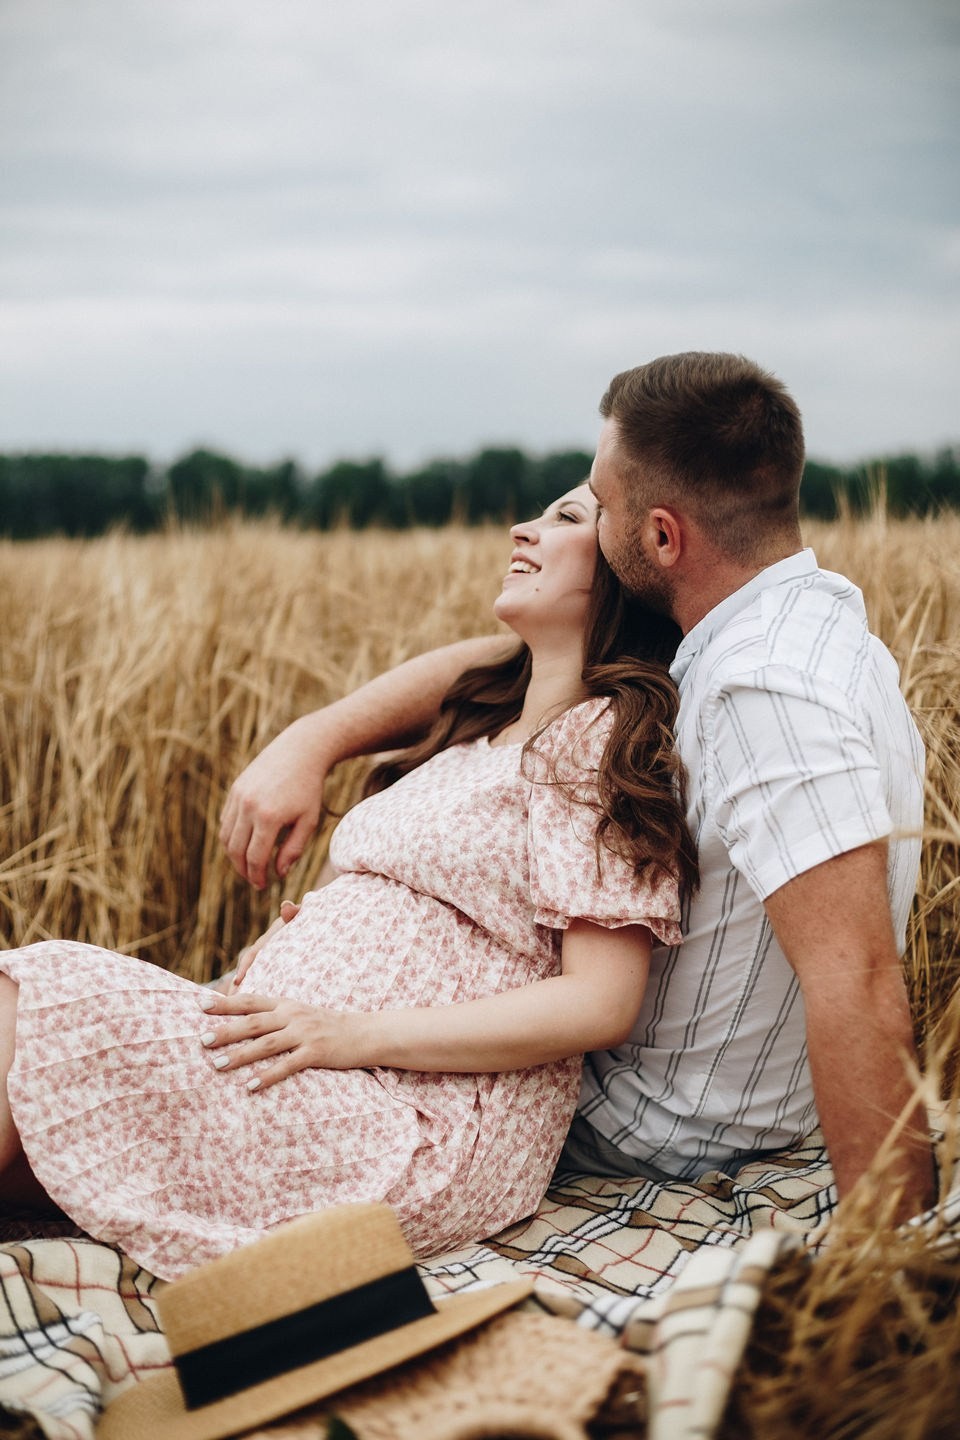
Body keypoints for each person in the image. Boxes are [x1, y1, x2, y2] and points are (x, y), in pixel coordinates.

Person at [221, 352, 934, 1220]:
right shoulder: (790, 628)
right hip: (622, 1088)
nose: (567, 528)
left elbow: (854, 975)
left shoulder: (764, 693)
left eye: (601, 507)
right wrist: (313, 741)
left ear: (663, 538)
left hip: (645, 1123)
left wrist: (884, 1266)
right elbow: (499, 669)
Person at [0, 486, 697, 1281]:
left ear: (624, 573)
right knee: (32, 1113)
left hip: (408, 1117)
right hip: (307, 1064)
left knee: (38, 989)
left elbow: (598, 1001)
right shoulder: (488, 724)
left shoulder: (595, 744)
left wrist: (351, 1031)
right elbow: (464, 677)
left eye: (565, 519)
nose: (523, 529)